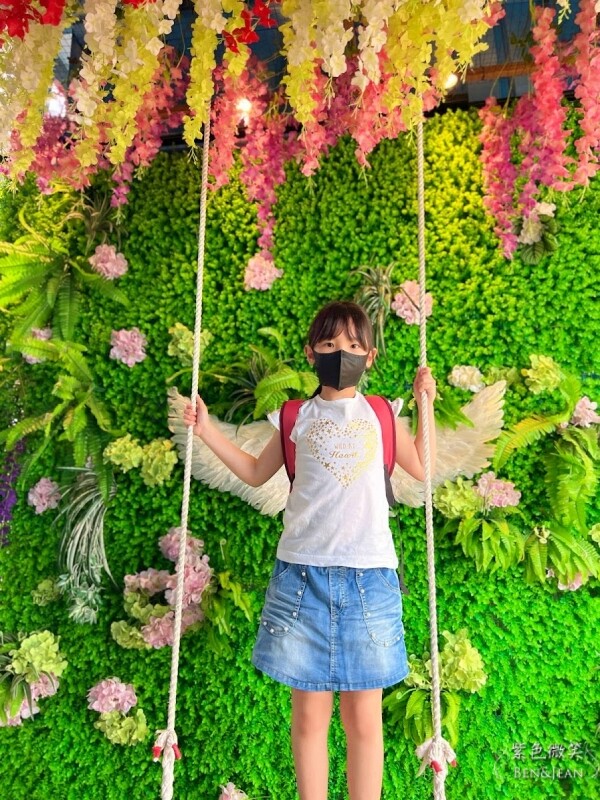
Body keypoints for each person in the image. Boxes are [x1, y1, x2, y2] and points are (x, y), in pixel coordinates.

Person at [183, 301, 437, 800]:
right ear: (309, 353)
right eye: (327, 345)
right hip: (301, 578)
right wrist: (206, 430)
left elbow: (423, 469)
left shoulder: (384, 414)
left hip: (370, 578)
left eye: (351, 346)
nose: (339, 354)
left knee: (364, 717)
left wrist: (423, 401)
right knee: (308, 715)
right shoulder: (294, 416)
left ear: (370, 356)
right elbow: (257, 473)